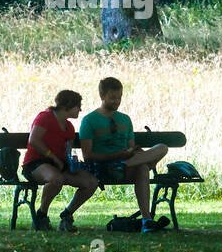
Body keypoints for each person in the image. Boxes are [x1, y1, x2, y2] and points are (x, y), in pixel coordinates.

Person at [77, 77, 169, 233]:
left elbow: (130, 148)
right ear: (102, 96)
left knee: (161, 148)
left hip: (126, 165)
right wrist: (115, 156)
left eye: (119, 97)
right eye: (112, 98)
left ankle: (146, 221)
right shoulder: (89, 120)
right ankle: (147, 219)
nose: (117, 101)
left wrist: (133, 152)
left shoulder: (125, 119)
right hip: (104, 168)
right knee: (143, 168)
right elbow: (88, 156)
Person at [22, 89, 99, 232]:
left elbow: (67, 150)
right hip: (35, 164)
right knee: (55, 179)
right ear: (67, 105)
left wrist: (72, 163)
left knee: (91, 182)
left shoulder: (69, 126)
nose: (80, 109)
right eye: (78, 106)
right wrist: (53, 157)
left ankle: (67, 216)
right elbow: (34, 141)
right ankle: (41, 216)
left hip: (58, 165)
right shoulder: (45, 117)